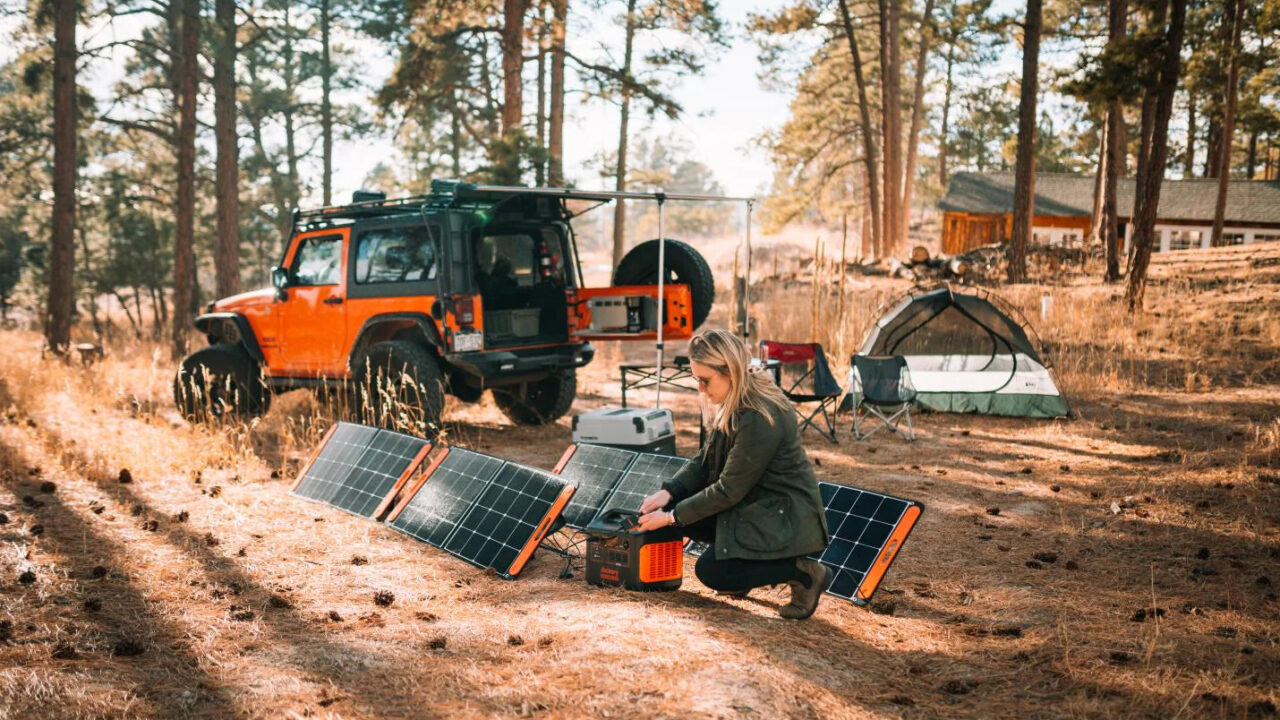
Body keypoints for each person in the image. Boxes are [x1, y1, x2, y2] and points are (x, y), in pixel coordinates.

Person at [637, 329, 832, 619]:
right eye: (696, 379)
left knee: (713, 572)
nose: (701, 389)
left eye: (705, 380)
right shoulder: (737, 397)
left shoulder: (760, 414)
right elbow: (706, 460)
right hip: (752, 507)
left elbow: (729, 489)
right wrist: (670, 492)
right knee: (676, 511)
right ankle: (744, 567)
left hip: (781, 516)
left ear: (730, 371)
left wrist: (671, 516)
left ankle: (804, 573)